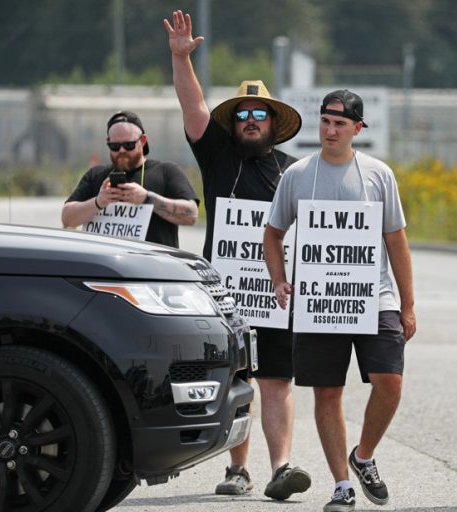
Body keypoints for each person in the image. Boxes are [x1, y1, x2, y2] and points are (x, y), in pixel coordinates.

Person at [164, 9, 311, 501]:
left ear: (273, 122)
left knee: (277, 380)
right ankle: (237, 470)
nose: (250, 121)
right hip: (225, 291)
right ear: (236, 123)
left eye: (259, 114)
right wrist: (180, 59)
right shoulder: (218, 156)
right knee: (238, 378)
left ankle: (282, 467)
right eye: (243, 115)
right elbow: (194, 108)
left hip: (275, 290)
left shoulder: (295, 170)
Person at [263, 90, 417, 512]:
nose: (330, 130)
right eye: (325, 121)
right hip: (319, 300)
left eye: (340, 123)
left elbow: (396, 241)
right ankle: (342, 485)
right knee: (327, 393)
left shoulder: (378, 174)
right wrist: (278, 279)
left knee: (390, 382)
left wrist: (407, 304)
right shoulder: (298, 174)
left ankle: (363, 455)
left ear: (357, 129)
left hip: (375, 295)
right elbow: (273, 234)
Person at [62, 111, 199, 248]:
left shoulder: (166, 171)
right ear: (108, 142)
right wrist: (98, 202)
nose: (122, 150)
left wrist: (147, 199)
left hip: (153, 266)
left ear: (143, 141)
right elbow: (67, 219)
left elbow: (191, 214)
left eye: (128, 145)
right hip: (104, 266)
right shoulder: (96, 175)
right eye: (115, 146)